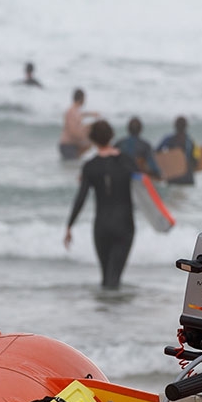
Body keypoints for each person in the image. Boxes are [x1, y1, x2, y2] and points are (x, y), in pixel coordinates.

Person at [64, 120, 137, 289]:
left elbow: (80, 198)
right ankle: (113, 313)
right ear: (111, 135)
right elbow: (144, 187)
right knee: (115, 278)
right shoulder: (126, 161)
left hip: (101, 227)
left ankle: (103, 311)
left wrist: (69, 225)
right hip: (124, 225)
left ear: (92, 140)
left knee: (105, 277)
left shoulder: (89, 166)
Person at [155, 115, 200, 186]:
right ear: (186, 127)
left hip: (173, 177)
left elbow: (156, 153)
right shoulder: (191, 142)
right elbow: (196, 161)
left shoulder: (168, 139)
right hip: (188, 178)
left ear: (175, 126)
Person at [58, 89, 99, 161]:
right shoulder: (71, 111)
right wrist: (84, 137)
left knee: (74, 165)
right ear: (82, 99)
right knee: (71, 168)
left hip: (71, 145)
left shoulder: (76, 111)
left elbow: (81, 115)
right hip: (67, 146)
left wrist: (91, 114)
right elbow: (72, 131)